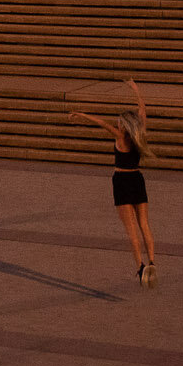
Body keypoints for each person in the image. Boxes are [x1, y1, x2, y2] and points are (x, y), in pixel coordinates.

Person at [68, 81, 158, 286]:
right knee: (145, 224)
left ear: (123, 125)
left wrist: (80, 115)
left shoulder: (121, 137)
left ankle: (140, 267)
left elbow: (101, 123)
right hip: (137, 179)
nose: (117, 125)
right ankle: (152, 260)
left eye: (119, 123)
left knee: (131, 230)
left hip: (122, 182)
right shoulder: (140, 133)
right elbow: (142, 110)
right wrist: (136, 90)